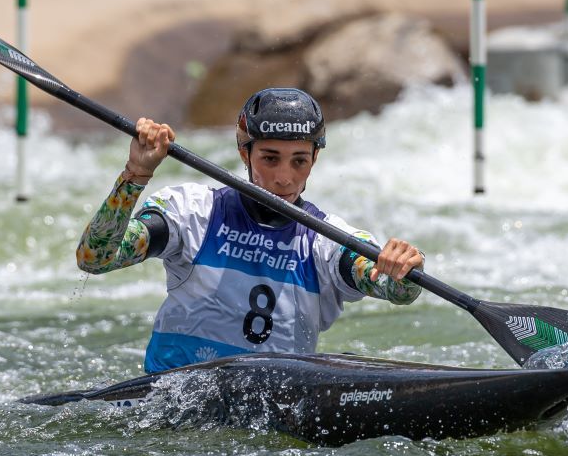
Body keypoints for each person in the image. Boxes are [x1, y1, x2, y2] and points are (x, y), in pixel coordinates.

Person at [76, 87, 426, 373]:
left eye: (299, 160)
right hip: (172, 405)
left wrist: (404, 268)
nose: (284, 178)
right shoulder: (192, 213)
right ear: (245, 154)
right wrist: (136, 175)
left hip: (267, 413)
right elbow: (96, 258)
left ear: (314, 159)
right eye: (270, 159)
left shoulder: (327, 240)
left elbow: (397, 290)